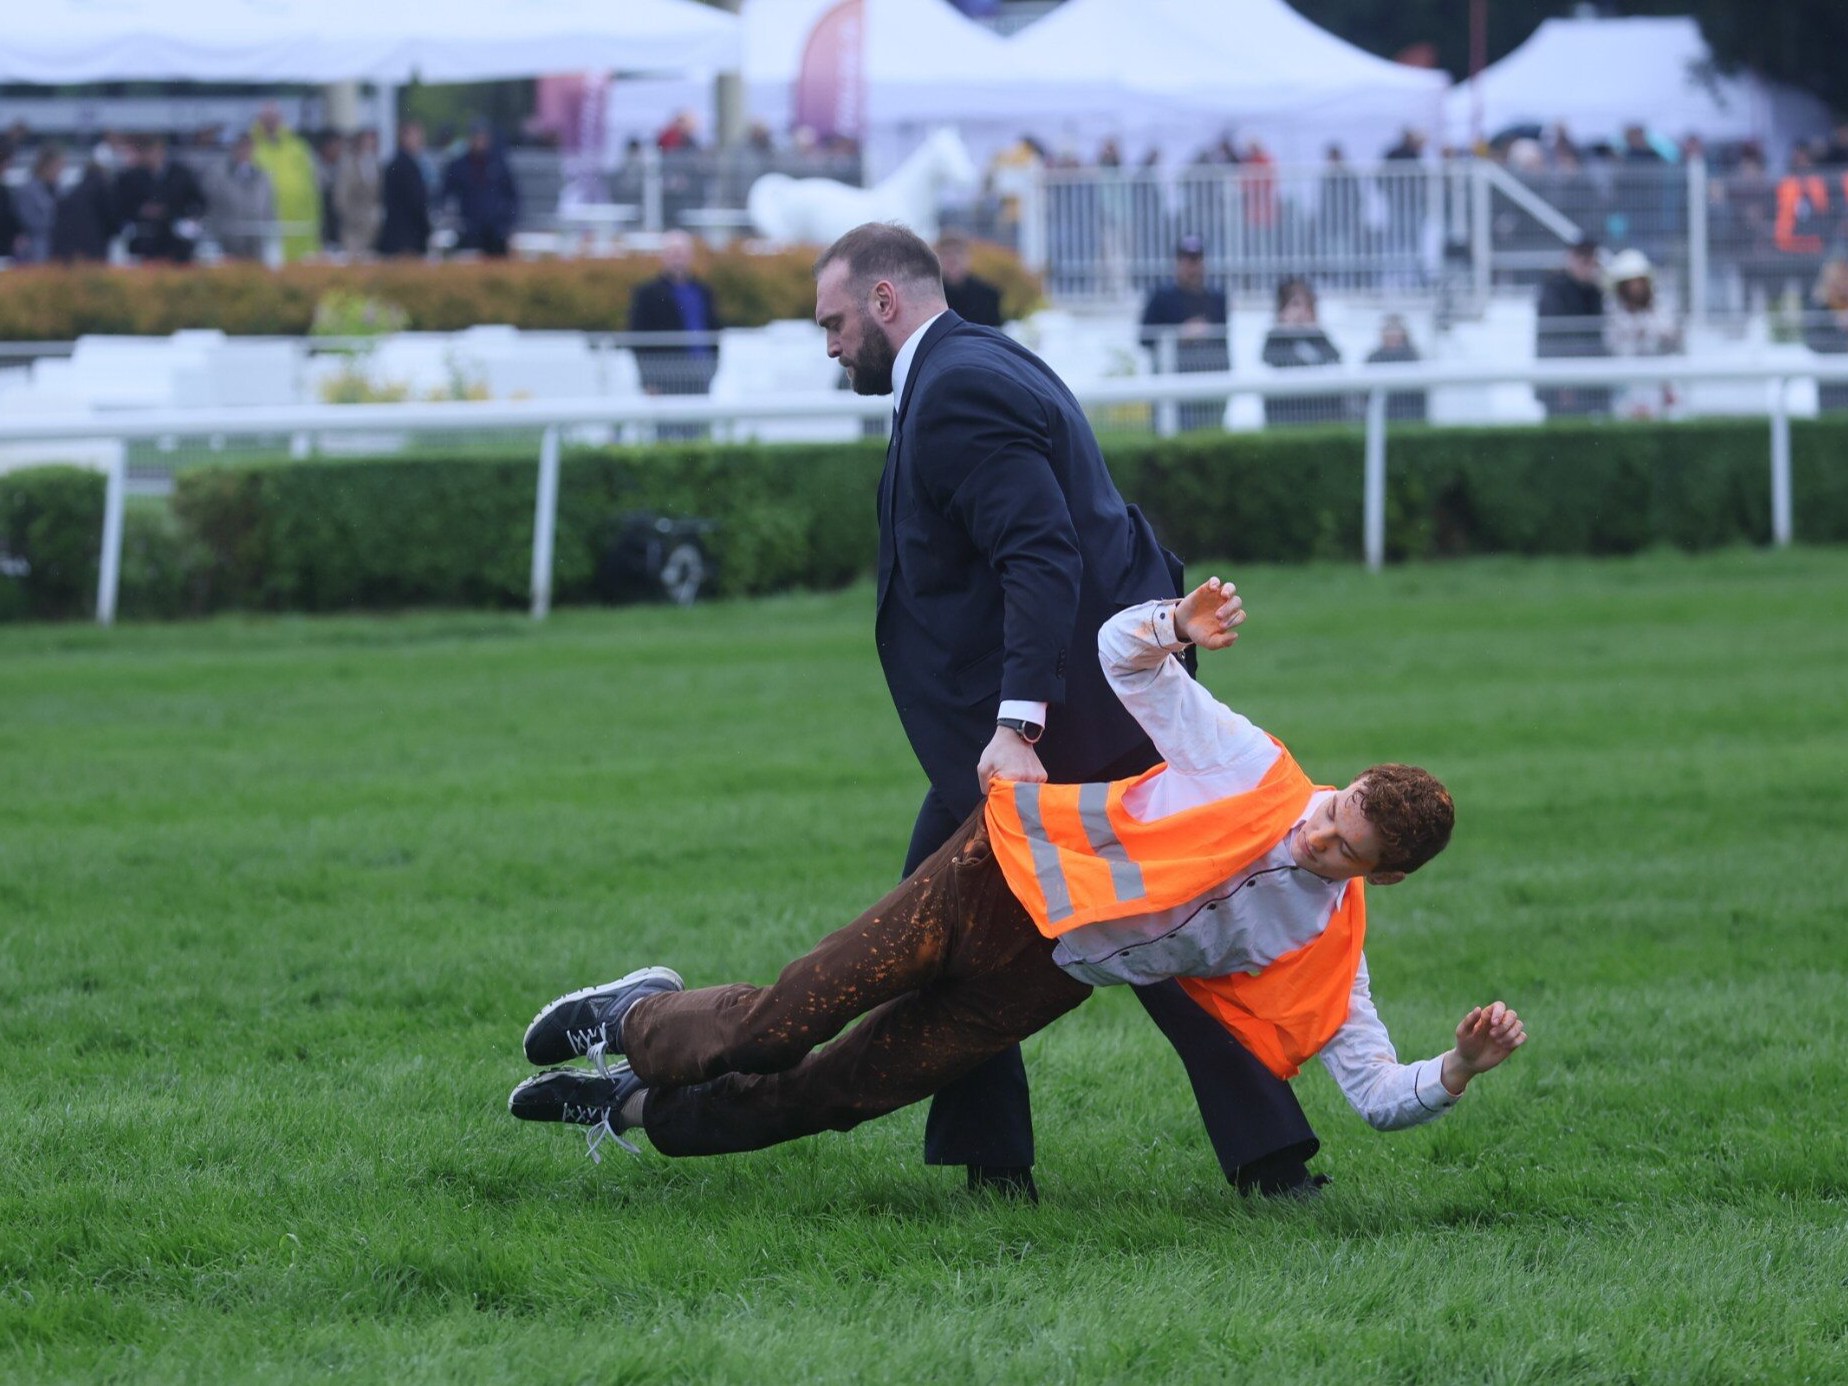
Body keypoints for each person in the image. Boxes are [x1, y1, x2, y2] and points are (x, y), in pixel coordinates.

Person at [508, 577, 1528, 1176]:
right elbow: (1119, 656)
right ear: (1342, 787)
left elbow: (1378, 1096)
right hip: (996, 877)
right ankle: (639, 1016)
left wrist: (1458, 1071)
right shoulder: (1252, 765)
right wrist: (1174, 623)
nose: (1320, 841)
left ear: (1380, 881)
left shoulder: (1327, 942)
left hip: (1046, 980)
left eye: (1346, 852)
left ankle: (633, 1111)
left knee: (840, 1095)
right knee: (787, 1024)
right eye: (1333, 815)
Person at [801, 222, 1329, 1201]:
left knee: (1010, 931)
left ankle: (1008, 1167)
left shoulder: (956, 387)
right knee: (1050, 923)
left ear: (884, 301)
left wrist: (1018, 725)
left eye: (833, 322)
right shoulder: (980, 357)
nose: (829, 345)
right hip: (1093, 707)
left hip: (1059, 729)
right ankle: (1026, 1161)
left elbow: (1043, 556)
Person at [627, 229, 721, 439]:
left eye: (682, 252)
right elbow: (638, 338)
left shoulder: (703, 291)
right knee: (666, 436)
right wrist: (647, 380)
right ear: (663, 256)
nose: (677, 257)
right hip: (666, 377)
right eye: (672, 252)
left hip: (698, 375)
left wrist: (713, 368)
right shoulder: (648, 294)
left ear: (690, 256)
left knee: (697, 435)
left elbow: (715, 330)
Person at [1139, 234, 1230, 431]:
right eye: (1187, 260)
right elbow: (1144, 339)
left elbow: (1224, 341)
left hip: (1209, 383)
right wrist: (1178, 336)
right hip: (1172, 382)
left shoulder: (1217, 298)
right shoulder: (1161, 298)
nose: (1192, 266)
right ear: (1178, 263)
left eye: (1196, 260)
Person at [1535, 237, 1610, 418]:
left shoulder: (1595, 290)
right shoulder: (1555, 288)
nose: (1588, 264)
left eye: (1591, 258)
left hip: (1591, 374)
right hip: (1562, 376)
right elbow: (1554, 336)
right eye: (1582, 258)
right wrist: (1563, 381)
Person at [1603, 249, 1682, 420]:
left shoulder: (1660, 308)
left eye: (1639, 281)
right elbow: (1613, 344)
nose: (1636, 287)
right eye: (1630, 282)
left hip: (1659, 384)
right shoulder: (1614, 313)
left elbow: (1670, 334)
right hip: (1628, 386)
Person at [1260, 277, 1349, 427]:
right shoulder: (1275, 336)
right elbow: (1269, 360)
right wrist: (1288, 331)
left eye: (1305, 306)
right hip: (1285, 407)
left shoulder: (1318, 335)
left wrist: (1309, 331)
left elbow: (1335, 357)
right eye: (1295, 305)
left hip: (1319, 406)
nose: (1300, 312)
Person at [114, 135, 207, 263]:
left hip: (176, 239)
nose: (153, 156)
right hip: (144, 240)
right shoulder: (131, 177)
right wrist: (141, 211)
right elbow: (121, 205)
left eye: (156, 151)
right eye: (149, 151)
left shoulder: (181, 175)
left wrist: (190, 220)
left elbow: (199, 201)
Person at [250, 103, 321, 262]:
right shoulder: (252, 148)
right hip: (265, 223)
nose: (271, 123)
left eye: (274, 118)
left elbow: (313, 185)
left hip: (300, 222)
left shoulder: (298, 147)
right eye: (267, 118)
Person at [442, 120, 519, 257]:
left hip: (496, 231)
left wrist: (507, 224)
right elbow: (446, 195)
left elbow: (512, 195)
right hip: (470, 230)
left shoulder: (498, 164)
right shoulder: (459, 166)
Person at [204, 133, 276, 261]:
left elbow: (268, 208)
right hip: (228, 241)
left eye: (248, 147)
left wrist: (269, 233)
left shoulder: (263, 177)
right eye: (241, 147)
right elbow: (212, 207)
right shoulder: (219, 175)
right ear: (234, 149)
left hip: (256, 242)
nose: (244, 151)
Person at [376, 122, 432, 258]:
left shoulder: (396, 164)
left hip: (398, 236)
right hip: (407, 239)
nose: (420, 141)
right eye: (416, 136)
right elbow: (416, 203)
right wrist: (427, 228)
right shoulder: (406, 167)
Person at [1802, 257, 1848, 413]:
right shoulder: (1819, 308)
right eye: (1838, 279)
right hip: (1831, 388)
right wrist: (1837, 325)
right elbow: (1814, 342)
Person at [1364, 314, 1427, 423]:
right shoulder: (1373, 357)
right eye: (1388, 330)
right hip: (1381, 414)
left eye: (1395, 330)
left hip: (1409, 415)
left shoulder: (1412, 356)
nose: (1391, 334)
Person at [935, 231, 1003, 328]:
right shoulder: (929, 295)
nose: (952, 258)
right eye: (946, 253)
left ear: (968, 257)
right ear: (936, 259)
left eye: (957, 252)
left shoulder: (989, 295)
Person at [333, 129, 382, 259]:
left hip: (371, 225)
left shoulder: (374, 164)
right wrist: (351, 217)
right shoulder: (348, 164)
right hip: (353, 226)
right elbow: (341, 197)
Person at [12, 144, 64, 264]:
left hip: (58, 250)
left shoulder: (59, 190)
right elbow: (30, 221)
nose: (60, 171)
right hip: (35, 251)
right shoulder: (26, 191)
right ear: (46, 165)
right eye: (58, 166)